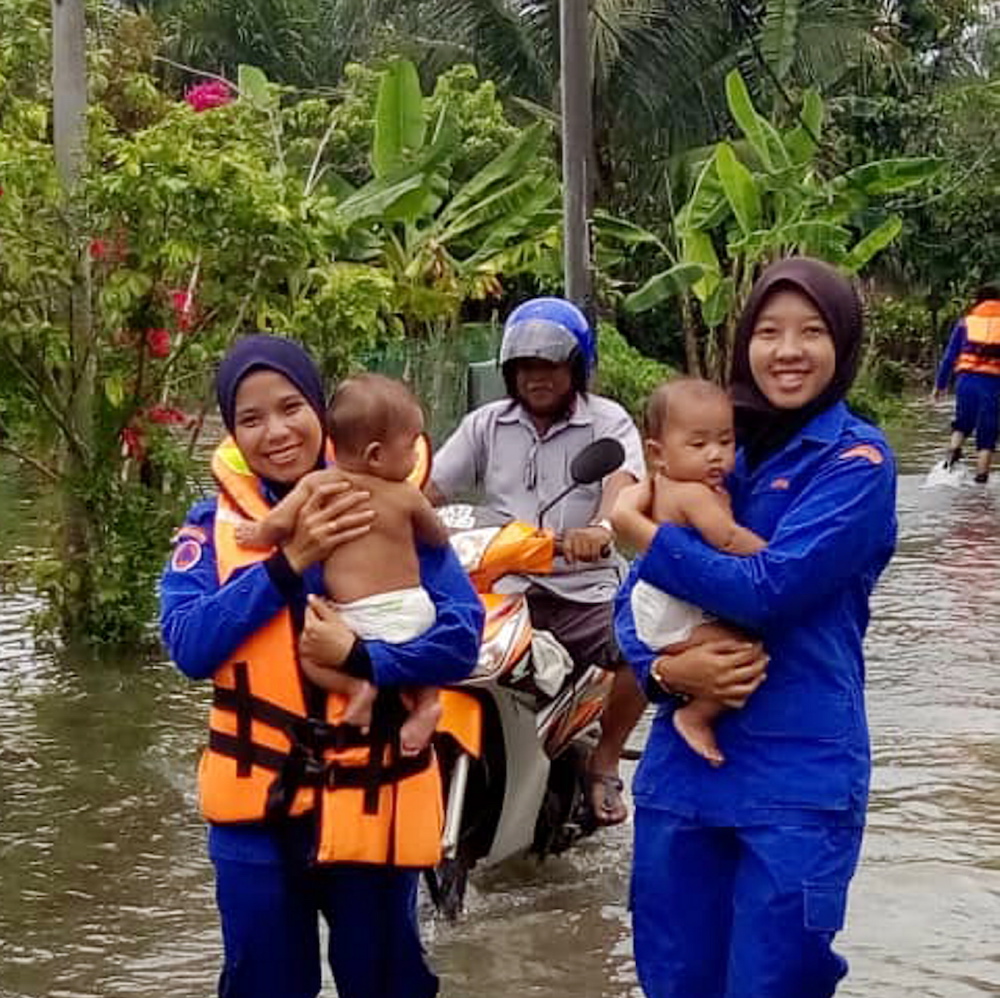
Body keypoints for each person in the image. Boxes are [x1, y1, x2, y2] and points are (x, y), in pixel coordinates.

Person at [159, 335, 482, 998]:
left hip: (375, 794)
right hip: (259, 808)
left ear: (321, 409)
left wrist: (368, 662)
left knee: (388, 986)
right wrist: (285, 563)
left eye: (290, 407)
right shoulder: (210, 527)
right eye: (250, 417)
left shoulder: (385, 501)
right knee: (271, 991)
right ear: (231, 433)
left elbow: (459, 635)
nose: (275, 431)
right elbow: (188, 642)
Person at [613, 258, 897, 998]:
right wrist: (659, 675)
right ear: (741, 343)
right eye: (768, 330)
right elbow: (632, 612)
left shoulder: (857, 460)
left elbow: (772, 585)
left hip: (802, 768)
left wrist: (644, 530)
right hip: (689, 771)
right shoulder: (698, 440)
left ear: (840, 345)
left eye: (809, 331)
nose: (786, 349)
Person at [426, 297, 647, 827]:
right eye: (525, 367)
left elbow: (623, 486)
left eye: (549, 364)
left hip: (580, 590)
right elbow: (430, 487)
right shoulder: (487, 424)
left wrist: (601, 529)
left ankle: (604, 759)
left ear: (575, 366)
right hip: (501, 585)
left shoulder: (607, 422)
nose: (536, 377)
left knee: (642, 643)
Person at [235, 372, 448, 755]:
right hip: (415, 610)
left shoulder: (319, 484)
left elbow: (278, 523)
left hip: (357, 617)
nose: (417, 457)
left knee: (309, 654)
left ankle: (357, 689)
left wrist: (259, 535)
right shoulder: (407, 495)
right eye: (411, 447)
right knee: (427, 647)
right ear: (377, 455)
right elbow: (438, 536)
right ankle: (428, 703)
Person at [612, 377, 765, 767]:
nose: (715, 455)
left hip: (660, 601)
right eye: (698, 445)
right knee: (741, 650)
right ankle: (696, 714)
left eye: (726, 442)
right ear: (657, 453)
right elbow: (727, 539)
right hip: (670, 610)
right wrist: (773, 555)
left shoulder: (664, 485)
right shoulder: (693, 493)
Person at [931, 282, 1000, 484]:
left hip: (966, 380)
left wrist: (940, 385)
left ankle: (950, 461)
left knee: (962, 422)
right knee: (988, 431)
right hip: (993, 384)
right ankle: (981, 482)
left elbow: (950, 357)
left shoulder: (966, 323)